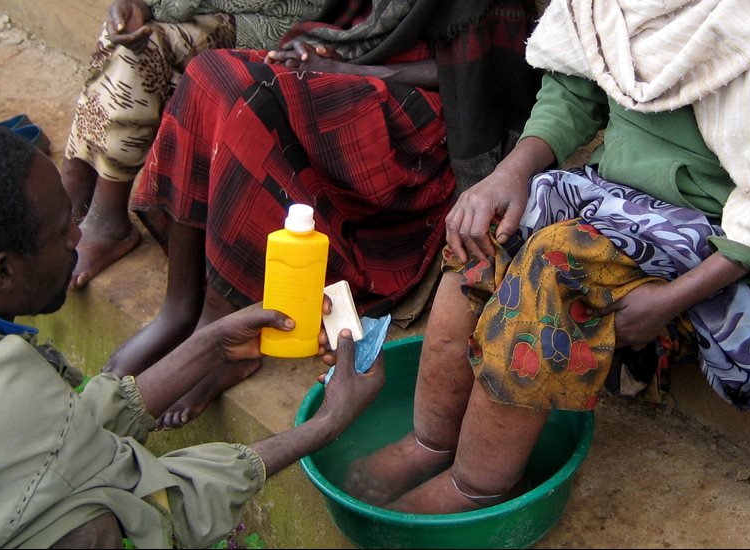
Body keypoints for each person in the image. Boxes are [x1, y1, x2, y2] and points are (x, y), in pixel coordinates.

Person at [345, 0, 750, 514]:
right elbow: (574, 92)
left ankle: (477, 487)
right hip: (615, 201)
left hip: (724, 239)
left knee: (552, 267)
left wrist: (668, 303)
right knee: (479, 233)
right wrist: (509, 173)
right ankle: (430, 444)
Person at [0, 121, 384, 548]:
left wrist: (206, 346)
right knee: (91, 530)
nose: (78, 240)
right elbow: (167, 503)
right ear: (3, 272)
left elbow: (60, 438)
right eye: (64, 229)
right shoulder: (2, 394)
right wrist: (322, 427)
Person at [114, 0, 541, 428]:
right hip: (359, 70)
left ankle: (222, 331)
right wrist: (327, 53)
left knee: (255, 108)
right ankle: (179, 306)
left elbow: (490, 76)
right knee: (209, 74)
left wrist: (359, 72)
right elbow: (354, 19)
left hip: (431, 115)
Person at [63, 0, 322, 288]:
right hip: (214, 9)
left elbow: (177, 6)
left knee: (146, 45)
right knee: (127, 33)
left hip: (280, 21)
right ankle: (75, 194)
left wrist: (148, 4)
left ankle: (105, 219)